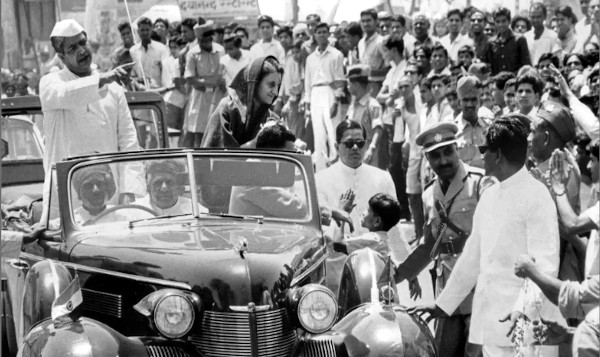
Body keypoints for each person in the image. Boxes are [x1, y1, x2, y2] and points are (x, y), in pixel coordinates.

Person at [409, 114, 563, 357]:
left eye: (484, 149)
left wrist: (522, 309)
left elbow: (545, 264)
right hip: (493, 319)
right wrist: (443, 304)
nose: (481, 155)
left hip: (525, 321)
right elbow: (472, 258)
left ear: (498, 155)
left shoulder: (537, 196)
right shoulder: (491, 196)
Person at [395, 122, 489, 357]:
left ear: (457, 149)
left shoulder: (479, 183)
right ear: (427, 159)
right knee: (445, 352)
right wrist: (399, 274)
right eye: (436, 156)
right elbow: (430, 245)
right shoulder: (429, 193)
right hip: (445, 288)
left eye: (448, 152)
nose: (444, 160)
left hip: (477, 287)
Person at [40, 19, 140, 207]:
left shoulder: (114, 89)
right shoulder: (50, 83)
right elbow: (67, 94)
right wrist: (102, 79)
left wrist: (130, 190)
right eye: (72, 48)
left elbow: (128, 143)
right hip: (66, 195)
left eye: (83, 43)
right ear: (61, 56)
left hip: (108, 196)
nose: (82, 51)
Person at [528, 102, 584, 283]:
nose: (528, 138)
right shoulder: (562, 163)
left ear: (545, 138)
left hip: (556, 270)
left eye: (531, 132)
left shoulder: (557, 173)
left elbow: (557, 228)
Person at [228, 123, 306, 219]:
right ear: (273, 152)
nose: (292, 159)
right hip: (248, 233)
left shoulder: (265, 169)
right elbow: (296, 209)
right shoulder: (252, 174)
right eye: (289, 155)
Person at [201, 56, 282, 148]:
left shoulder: (272, 119)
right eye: (271, 85)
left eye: (278, 86)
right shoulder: (228, 109)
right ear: (255, 83)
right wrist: (255, 143)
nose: (275, 92)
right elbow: (219, 157)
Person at [303, 22, 345, 171]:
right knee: (318, 134)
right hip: (315, 93)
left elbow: (340, 80)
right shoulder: (310, 58)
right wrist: (307, 103)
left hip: (330, 91)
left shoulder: (336, 54)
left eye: (324, 32)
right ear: (314, 35)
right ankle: (321, 170)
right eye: (318, 32)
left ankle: (338, 166)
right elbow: (307, 83)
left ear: (328, 34)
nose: (321, 35)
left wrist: (336, 99)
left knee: (333, 131)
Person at [182, 21, 222, 148]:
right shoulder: (192, 54)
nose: (205, 43)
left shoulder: (220, 50)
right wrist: (210, 82)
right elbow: (190, 79)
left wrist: (212, 82)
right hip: (200, 98)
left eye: (208, 39)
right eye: (202, 40)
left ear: (211, 38)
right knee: (200, 136)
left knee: (218, 132)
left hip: (218, 96)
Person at [137, 159, 208, 215]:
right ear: (148, 187)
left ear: (180, 188)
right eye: (157, 183)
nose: (164, 189)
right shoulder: (134, 211)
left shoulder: (197, 211)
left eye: (170, 183)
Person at [346, 64, 383, 168]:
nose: (347, 87)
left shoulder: (372, 105)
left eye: (349, 84)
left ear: (356, 85)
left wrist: (371, 149)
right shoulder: (353, 105)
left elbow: (378, 130)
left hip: (367, 154)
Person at [454, 76, 492, 169]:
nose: (470, 104)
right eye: (466, 100)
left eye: (474, 99)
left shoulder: (490, 127)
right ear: (459, 103)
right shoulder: (453, 131)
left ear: (479, 101)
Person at [129, 17, 169, 89]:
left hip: (159, 91)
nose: (145, 33)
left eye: (147, 30)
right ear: (138, 31)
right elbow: (133, 74)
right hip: (140, 92)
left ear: (151, 30)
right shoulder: (133, 51)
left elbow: (166, 73)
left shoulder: (162, 49)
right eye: (142, 30)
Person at [489, 7, 531, 75]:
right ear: (494, 22)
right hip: (497, 83)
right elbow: (490, 67)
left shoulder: (520, 39)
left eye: (503, 21)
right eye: (498, 21)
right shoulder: (491, 43)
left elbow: (526, 66)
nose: (501, 25)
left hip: (515, 81)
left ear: (509, 21)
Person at [358, 9, 388, 95]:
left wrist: (370, 72)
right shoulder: (360, 43)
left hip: (377, 85)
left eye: (368, 21)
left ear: (376, 21)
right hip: (362, 87)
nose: (365, 24)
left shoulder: (381, 42)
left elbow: (390, 68)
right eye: (363, 21)